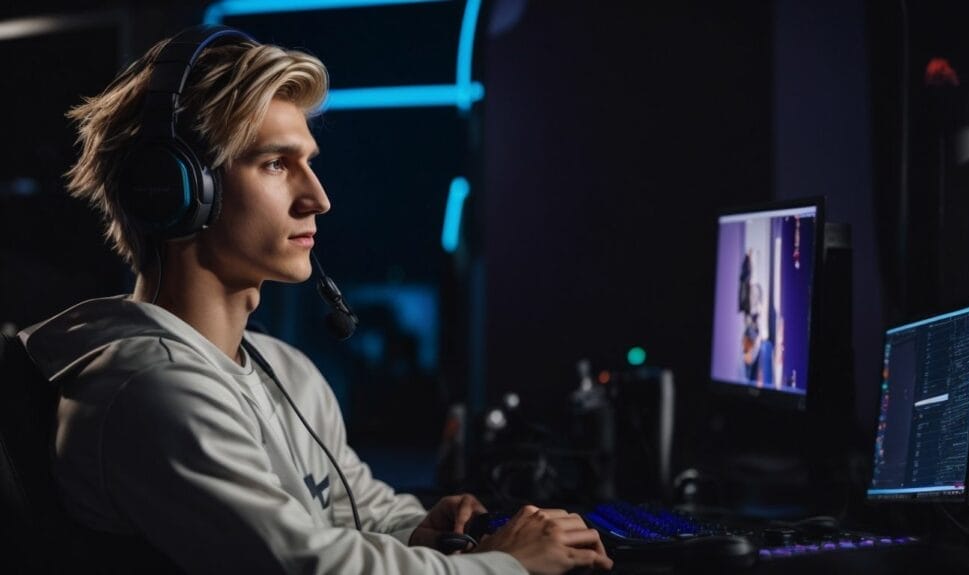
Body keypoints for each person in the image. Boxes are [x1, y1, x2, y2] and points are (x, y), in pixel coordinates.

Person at [18, 26, 612, 575]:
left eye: (309, 163)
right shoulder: (151, 390)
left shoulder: (286, 371)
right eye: (275, 164)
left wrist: (419, 529)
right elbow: (309, 567)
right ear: (174, 190)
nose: (318, 198)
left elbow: (355, 510)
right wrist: (506, 565)